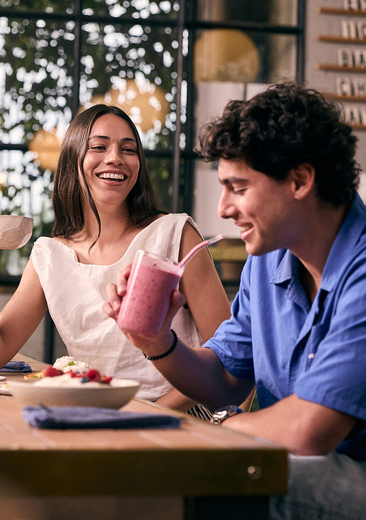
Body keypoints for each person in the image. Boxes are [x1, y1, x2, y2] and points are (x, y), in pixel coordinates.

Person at [104, 83, 366, 519]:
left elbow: (308, 433)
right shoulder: (269, 259)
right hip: (301, 462)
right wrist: (155, 341)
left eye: (238, 188)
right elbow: (227, 378)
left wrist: (225, 426)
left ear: (300, 180)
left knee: (215, 478)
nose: (223, 208)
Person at [0, 104, 231, 416]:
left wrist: (148, 412)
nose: (115, 158)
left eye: (129, 149)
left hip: (178, 416)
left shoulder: (175, 233)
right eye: (99, 147)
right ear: (73, 159)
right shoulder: (50, 254)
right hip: (91, 414)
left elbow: (228, 355)